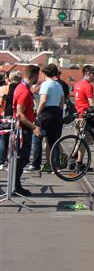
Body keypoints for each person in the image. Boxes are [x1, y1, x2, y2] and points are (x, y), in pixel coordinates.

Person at [11, 65, 41, 196]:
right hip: (23, 130)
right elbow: (20, 114)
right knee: (22, 158)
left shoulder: (21, 87)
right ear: (34, 76)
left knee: (21, 158)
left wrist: (34, 119)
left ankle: (15, 185)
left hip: (23, 128)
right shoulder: (24, 91)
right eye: (37, 76)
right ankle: (15, 186)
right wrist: (34, 127)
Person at [32, 64, 65, 172]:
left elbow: (43, 100)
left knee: (37, 138)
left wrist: (38, 113)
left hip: (46, 113)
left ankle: (36, 164)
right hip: (56, 113)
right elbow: (62, 102)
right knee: (53, 141)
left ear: (44, 74)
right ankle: (56, 166)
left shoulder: (45, 85)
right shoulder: (58, 85)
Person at [0, 70, 21, 170]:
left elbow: (10, 98)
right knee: (15, 139)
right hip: (17, 115)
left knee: (4, 138)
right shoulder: (21, 86)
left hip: (8, 114)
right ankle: (12, 161)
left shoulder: (11, 86)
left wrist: (3, 96)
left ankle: (2, 160)